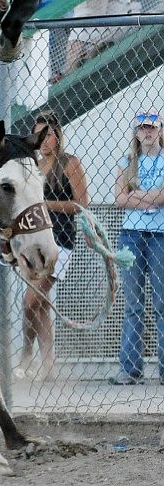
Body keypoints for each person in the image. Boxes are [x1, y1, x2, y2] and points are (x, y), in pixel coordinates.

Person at [16, 111, 89, 381]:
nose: (44, 140)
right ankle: (49, 365)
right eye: (39, 135)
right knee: (41, 304)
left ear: (57, 136)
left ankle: (26, 353)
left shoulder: (69, 163)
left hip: (60, 241)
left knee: (30, 301)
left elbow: (81, 204)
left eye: (48, 134)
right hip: (32, 242)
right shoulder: (30, 164)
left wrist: (47, 205)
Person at [111, 108, 164, 386]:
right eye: (142, 128)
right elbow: (120, 198)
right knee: (133, 304)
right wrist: (152, 199)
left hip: (160, 236)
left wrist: (138, 195)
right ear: (136, 132)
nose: (147, 132)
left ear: (160, 131)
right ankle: (130, 368)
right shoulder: (128, 161)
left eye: (152, 128)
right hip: (131, 235)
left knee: (161, 303)